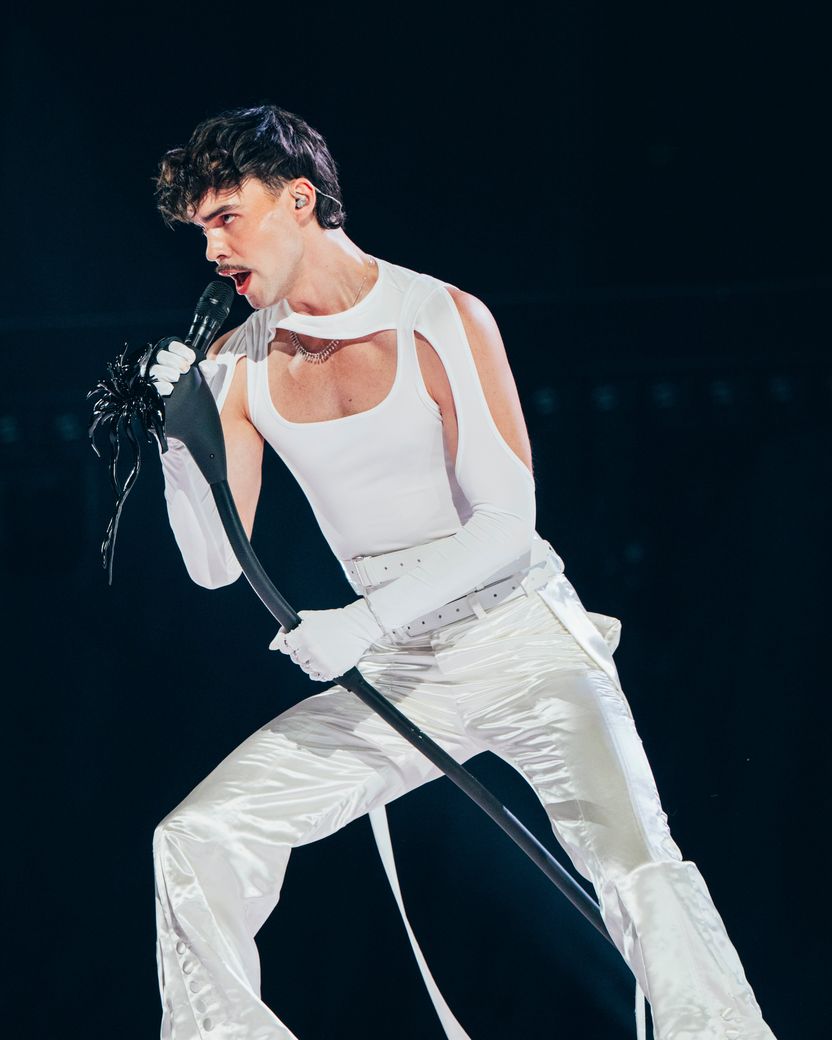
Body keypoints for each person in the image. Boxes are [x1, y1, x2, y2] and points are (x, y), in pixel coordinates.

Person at [148, 105, 776, 1040]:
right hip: (403, 669)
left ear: (299, 199)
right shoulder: (237, 366)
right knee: (196, 838)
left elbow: (507, 529)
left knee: (637, 864)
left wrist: (359, 624)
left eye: (225, 217)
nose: (211, 250)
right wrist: (178, 438)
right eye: (200, 230)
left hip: (520, 637)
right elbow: (209, 566)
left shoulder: (436, 314)